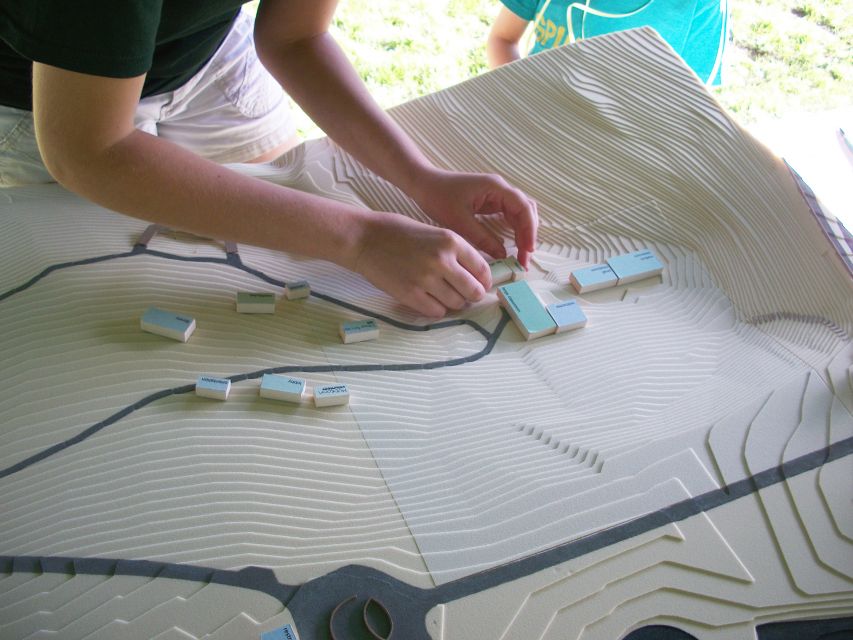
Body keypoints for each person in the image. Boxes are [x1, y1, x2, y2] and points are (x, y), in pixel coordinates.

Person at [0, 1, 538, 319]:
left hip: (204, 50)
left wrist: (422, 179)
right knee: (102, 276)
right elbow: (89, 149)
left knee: (280, 247)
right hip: (42, 95)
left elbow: (296, 36)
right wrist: (360, 238)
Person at [487, 0, 728, 86]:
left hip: (625, 152)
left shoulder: (701, 5)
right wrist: (520, 101)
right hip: (536, 121)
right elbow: (503, 39)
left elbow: (693, 113)